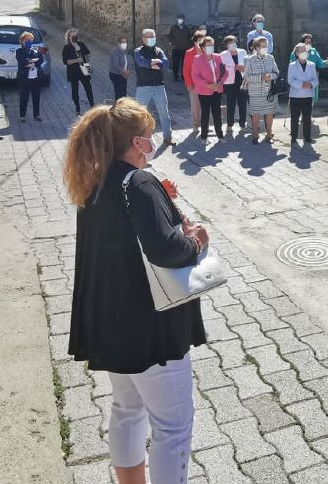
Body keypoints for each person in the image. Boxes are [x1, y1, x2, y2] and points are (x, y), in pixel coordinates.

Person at [63, 99, 208, 484]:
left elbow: (128, 232)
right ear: (137, 143)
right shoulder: (139, 183)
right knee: (173, 425)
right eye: (148, 136)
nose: (153, 141)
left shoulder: (97, 179)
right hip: (149, 324)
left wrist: (166, 200)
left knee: (127, 408)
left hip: (113, 318)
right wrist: (194, 240)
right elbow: (165, 248)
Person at [133, 29, 175, 146]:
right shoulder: (138, 51)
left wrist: (153, 64)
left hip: (159, 86)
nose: (152, 39)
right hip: (143, 87)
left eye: (153, 36)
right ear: (143, 38)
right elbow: (141, 62)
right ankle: (138, 140)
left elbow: (165, 64)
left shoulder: (159, 50)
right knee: (139, 114)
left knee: (164, 113)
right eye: (149, 37)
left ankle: (167, 137)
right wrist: (154, 62)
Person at [244, 35, 280, 144]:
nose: (265, 48)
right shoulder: (250, 60)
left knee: (269, 113)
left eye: (266, 45)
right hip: (255, 93)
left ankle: (269, 135)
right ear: (256, 47)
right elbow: (247, 77)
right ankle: (255, 135)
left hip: (269, 92)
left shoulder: (271, 58)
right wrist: (260, 77)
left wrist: (270, 76)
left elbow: (276, 73)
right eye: (262, 46)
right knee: (255, 114)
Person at [191, 35, 226, 142]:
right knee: (205, 114)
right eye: (208, 45)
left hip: (217, 90)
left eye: (212, 45)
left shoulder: (218, 57)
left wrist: (220, 82)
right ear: (203, 47)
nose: (211, 47)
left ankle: (220, 135)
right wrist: (207, 85)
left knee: (217, 114)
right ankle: (204, 136)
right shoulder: (198, 59)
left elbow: (225, 72)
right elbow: (195, 76)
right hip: (204, 91)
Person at [287, 43, 318, 147]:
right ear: (297, 53)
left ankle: (307, 136)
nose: (304, 53)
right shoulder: (292, 65)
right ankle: (294, 136)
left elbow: (315, 79)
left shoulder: (312, 65)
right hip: (295, 95)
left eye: (306, 51)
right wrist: (301, 84)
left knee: (307, 117)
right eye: (302, 51)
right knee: (294, 117)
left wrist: (310, 84)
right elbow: (290, 80)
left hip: (308, 95)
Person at [63, 28, 95, 116]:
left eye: (76, 35)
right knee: (75, 89)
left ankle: (92, 105)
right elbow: (66, 61)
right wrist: (77, 60)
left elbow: (88, 53)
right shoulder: (67, 47)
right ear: (69, 37)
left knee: (88, 87)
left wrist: (87, 63)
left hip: (84, 67)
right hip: (73, 70)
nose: (75, 37)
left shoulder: (81, 44)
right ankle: (77, 107)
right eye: (73, 35)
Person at [288, 33, 328, 102]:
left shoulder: (314, 51)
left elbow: (320, 63)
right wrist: (301, 84)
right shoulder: (295, 52)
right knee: (295, 107)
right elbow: (293, 65)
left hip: (310, 81)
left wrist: (327, 62)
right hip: (298, 83)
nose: (308, 44)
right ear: (302, 43)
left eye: (310, 42)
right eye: (306, 42)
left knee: (310, 103)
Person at [16, 31, 46, 122]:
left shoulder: (36, 50)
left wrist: (31, 62)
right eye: (26, 40)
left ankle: (36, 115)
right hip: (25, 78)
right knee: (24, 97)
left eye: (30, 40)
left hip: (36, 78)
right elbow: (23, 63)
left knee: (36, 97)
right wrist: (32, 62)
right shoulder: (19, 51)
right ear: (22, 41)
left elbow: (41, 60)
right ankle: (22, 116)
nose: (29, 42)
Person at [181, 29, 205, 132]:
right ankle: (196, 125)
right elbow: (186, 69)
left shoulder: (207, 52)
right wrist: (188, 84)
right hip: (194, 84)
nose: (201, 42)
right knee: (195, 105)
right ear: (195, 41)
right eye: (199, 40)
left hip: (206, 84)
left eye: (203, 40)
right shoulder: (189, 52)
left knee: (205, 105)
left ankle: (204, 124)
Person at [168, 15, 193, 83]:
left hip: (184, 48)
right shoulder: (173, 27)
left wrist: (187, 46)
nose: (180, 20)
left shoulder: (187, 28)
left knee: (184, 63)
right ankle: (175, 76)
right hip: (175, 48)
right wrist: (173, 44)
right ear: (177, 19)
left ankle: (183, 76)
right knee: (175, 63)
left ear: (183, 19)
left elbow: (190, 38)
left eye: (181, 19)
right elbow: (170, 36)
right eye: (179, 18)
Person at [109, 35, 131, 100]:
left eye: (125, 42)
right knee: (119, 92)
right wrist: (124, 72)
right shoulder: (115, 52)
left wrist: (127, 70)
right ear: (118, 43)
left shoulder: (125, 51)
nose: (125, 44)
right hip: (115, 75)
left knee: (124, 92)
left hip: (123, 74)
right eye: (123, 42)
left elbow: (127, 63)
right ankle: (117, 107)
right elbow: (116, 65)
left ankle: (123, 107)